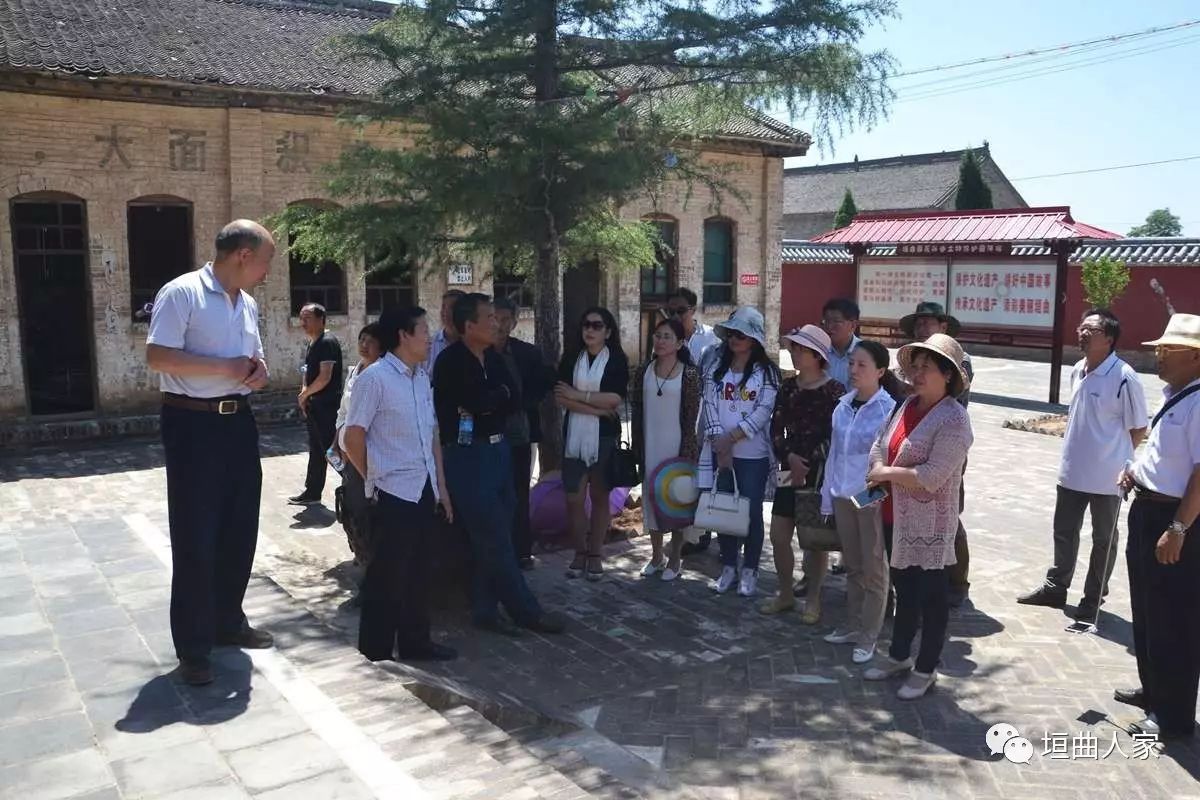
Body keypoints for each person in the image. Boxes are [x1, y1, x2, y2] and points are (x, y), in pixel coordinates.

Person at [145, 219, 275, 686]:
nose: (265, 272)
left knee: (240, 526)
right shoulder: (182, 294)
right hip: (191, 423)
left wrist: (257, 373)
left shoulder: (248, 304)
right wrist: (225, 366)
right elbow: (158, 356)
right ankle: (194, 649)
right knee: (196, 534)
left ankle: (227, 620)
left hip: (237, 421)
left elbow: (252, 360)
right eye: (264, 262)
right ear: (243, 255)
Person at [434, 293, 567, 635]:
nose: (497, 323)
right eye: (489, 318)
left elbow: (513, 396)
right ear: (469, 326)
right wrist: (493, 401)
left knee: (498, 532)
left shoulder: (493, 358)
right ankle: (526, 611)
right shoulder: (451, 361)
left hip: (499, 450)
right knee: (492, 535)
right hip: (466, 456)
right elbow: (475, 402)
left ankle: (485, 609)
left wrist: (494, 401)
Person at [1017, 309, 1148, 622]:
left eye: (1091, 329)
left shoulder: (1125, 377)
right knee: (1064, 532)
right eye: (1081, 327)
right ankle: (1055, 587)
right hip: (1072, 470)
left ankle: (1092, 599)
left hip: (1107, 476)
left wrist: (1120, 459)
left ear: (1110, 339)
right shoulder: (1078, 369)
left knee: (1103, 540)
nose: (1082, 333)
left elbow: (1139, 427)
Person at [863, 333, 973, 700]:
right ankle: (898, 655)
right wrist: (878, 466)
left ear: (948, 375)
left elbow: (931, 477)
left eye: (928, 368)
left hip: (931, 524)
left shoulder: (954, 420)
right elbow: (881, 443)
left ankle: (926, 667)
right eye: (916, 366)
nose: (918, 374)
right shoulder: (905, 405)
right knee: (904, 590)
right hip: (894, 516)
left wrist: (885, 474)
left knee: (931, 597)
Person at [343, 306, 456, 662]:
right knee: (387, 574)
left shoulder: (421, 377)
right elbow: (352, 437)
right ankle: (375, 650)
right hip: (392, 491)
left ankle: (415, 642)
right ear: (404, 336)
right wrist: (372, 478)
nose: (428, 336)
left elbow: (432, 434)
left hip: (423, 488)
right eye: (423, 329)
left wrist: (441, 487)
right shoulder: (374, 379)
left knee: (420, 570)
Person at [1115, 313, 1200, 741]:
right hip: (1149, 512)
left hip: (1176, 520)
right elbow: (1164, 456)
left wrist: (1180, 528)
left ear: (1197, 357)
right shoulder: (1178, 395)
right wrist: (1135, 472)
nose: (1160, 357)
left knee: (1175, 620)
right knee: (1148, 613)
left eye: (1170, 351)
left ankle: (1174, 716)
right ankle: (1154, 692)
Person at [819, 340, 896, 664]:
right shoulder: (842, 405)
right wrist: (828, 496)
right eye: (851, 363)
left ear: (880, 371)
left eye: (862, 365)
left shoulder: (888, 408)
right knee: (852, 565)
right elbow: (834, 454)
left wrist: (871, 496)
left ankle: (869, 635)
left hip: (870, 496)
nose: (853, 370)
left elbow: (887, 459)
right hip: (841, 493)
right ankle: (853, 625)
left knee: (874, 569)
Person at [760, 325, 844, 618]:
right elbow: (775, 428)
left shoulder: (835, 391)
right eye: (793, 347)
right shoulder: (788, 387)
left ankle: (814, 598)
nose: (794, 353)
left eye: (800, 349)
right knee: (779, 536)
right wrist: (789, 457)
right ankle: (784, 592)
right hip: (788, 471)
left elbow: (836, 435)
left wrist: (808, 461)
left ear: (817, 355)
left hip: (819, 476)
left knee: (814, 541)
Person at [897, 301, 974, 607]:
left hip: (945, 446)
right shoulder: (915, 360)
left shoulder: (958, 360)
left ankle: (955, 580)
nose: (922, 328)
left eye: (927, 323)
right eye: (918, 324)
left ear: (942, 327)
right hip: (910, 443)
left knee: (947, 516)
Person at [699, 307, 780, 597]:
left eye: (742, 333)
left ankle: (751, 569)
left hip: (753, 454)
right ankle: (729, 565)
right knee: (723, 509)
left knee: (751, 512)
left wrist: (732, 438)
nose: (735, 338)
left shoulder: (767, 372)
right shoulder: (715, 367)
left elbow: (763, 411)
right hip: (718, 450)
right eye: (732, 332)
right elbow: (708, 404)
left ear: (754, 339)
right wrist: (719, 443)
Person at [556, 307, 630, 580]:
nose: (590, 330)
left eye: (597, 326)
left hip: (604, 438)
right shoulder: (572, 357)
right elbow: (561, 397)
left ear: (608, 332)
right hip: (574, 436)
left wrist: (579, 396)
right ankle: (579, 552)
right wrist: (595, 408)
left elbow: (614, 399)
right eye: (586, 324)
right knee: (574, 498)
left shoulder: (616, 360)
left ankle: (596, 554)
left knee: (599, 496)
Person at [633, 317, 701, 581]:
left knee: (676, 502)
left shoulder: (690, 374)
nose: (660, 341)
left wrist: (687, 453)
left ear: (680, 342)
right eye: (658, 335)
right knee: (652, 500)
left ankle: (675, 558)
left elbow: (691, 417)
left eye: (667, 337)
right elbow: (637, 411)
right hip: (650, 444)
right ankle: (656, 556)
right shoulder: (644, 371)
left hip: (678, 447)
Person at [494, 296, 555, 569]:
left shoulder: (527, 354)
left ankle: (521, 549)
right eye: (494, 318)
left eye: (505, 319)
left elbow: (544, 385)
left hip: (518, 434)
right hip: (485, 436)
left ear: (514, 322)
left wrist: (521, 403)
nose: (499, 324)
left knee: (519, 491)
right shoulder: (476, 352)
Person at [666, 287, 721, 557]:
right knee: (684, 475)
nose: (675, 316)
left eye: (681, 311)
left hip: (706, 418)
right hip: (674, 418)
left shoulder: (711, 340)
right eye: (670, 311)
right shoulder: (664, 339)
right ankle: (687, 532)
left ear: (693, 310)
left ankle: (706, 532)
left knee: (707, 474)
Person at [333, 323, 385, 600]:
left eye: (371, 341)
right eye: (361, 339)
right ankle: (365, 568)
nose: (364, 345)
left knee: (373, 519)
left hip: (373, 459)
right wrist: (338, 438)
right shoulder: (355, 371)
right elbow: (344, 410)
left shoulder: (383, 377)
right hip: (350, 458)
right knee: (354, 515)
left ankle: (374, 582)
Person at [290, 303, 344, 505]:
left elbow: (325, 377)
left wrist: (305, 395)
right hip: (315, 405)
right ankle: (312, 491)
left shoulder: (327, 342)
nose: (303, 322)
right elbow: (307, 371)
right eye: (301, 318)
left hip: (327, 407)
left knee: (332, 450)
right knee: (317, 449)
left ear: (321, 319)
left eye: (307, 318)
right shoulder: (313, 342)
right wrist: (304, 392)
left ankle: (354, 485)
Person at [821, 298, 862, 389]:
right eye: (826, 321)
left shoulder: (865, 352)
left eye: (836, 322)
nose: (829, 326)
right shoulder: (819, 351)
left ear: (853, 325)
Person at [423, 289, 466, 374]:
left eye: (452, 307)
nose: (445, 312)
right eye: (443, 307)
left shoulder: (472, 344)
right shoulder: (430, 345)